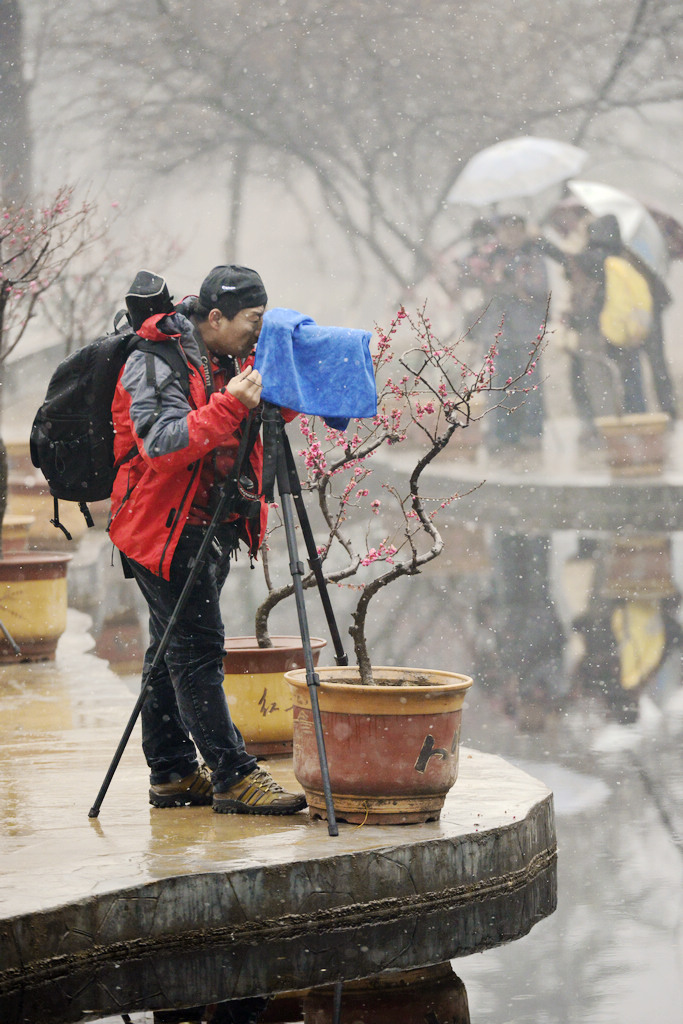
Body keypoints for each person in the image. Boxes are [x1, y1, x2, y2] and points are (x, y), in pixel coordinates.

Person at [108, 265, 306, 815]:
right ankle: (234, 775)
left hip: (206, 525)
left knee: (167, 649)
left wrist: (290, 392)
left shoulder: (226, 357)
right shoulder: (156, 360)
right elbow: (163, 445)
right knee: (197, 654)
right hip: (161, 528)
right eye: (252, 321)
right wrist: (231, 405)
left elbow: (241, 425)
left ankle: (171, 773)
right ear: (215, 317)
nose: (257, 333)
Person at [487, 215, 549, 451]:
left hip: (526, 332)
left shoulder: (533, 256)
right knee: (501, 386)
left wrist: (517, 283)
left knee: (530, 386)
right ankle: (504, 435)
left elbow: (541, 288)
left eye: (515, 230)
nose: (510, 236)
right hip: (500, 333)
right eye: (506, 230)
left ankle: (532, 434)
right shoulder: (494, 256)